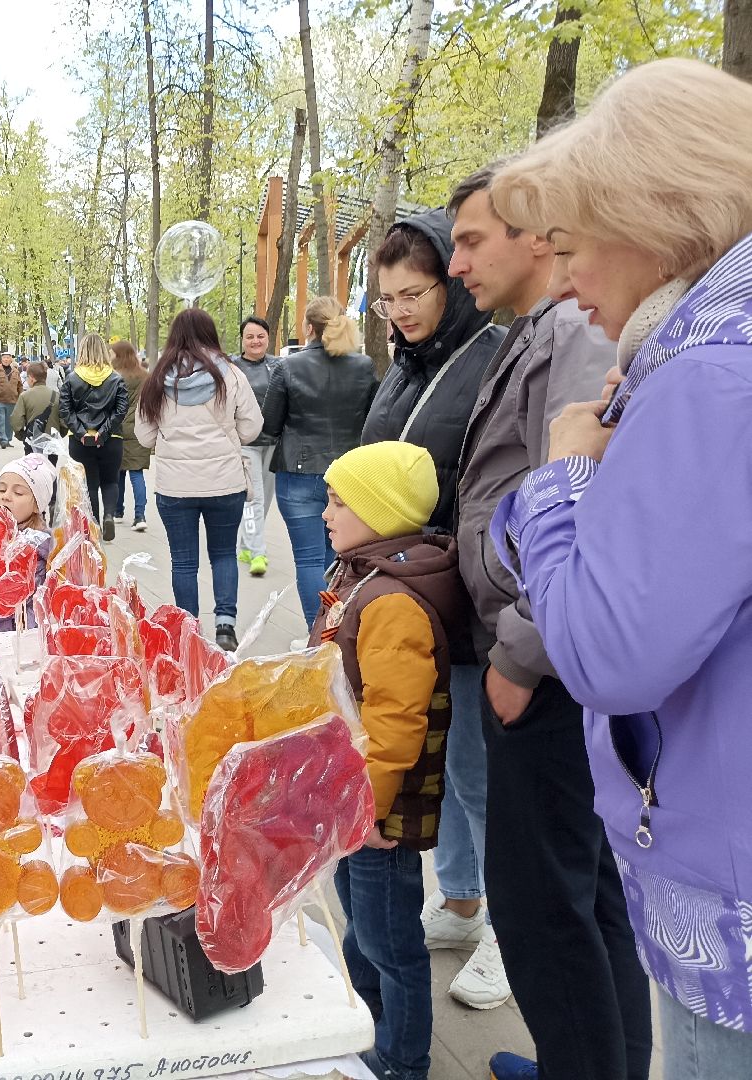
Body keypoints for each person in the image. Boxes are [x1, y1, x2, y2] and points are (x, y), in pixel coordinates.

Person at [489, 58, 752, 1080]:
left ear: (657, 219)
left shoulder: (709, 377)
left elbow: (606, 652)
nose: (562, 283)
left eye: (569, 247)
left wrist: (562, 478)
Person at [444, 165, 652, 1080]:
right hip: (548, 650)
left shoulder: (571, 330)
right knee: (586, 891)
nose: (456, 264)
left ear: (537, 235)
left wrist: (521, 654)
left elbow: (581, 493)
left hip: (546, 658)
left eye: (470, 240)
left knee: (541, 905)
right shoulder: (534, 330)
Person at [363, 208, 510, 1010]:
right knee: (443, 764)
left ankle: (508, 936)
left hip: (468, 596)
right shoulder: (407, 364)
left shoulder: (492, 357)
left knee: (480, 776)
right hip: (411, 595)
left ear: (450, 282)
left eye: (413, 294)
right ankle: (459, 899)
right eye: (387, 299)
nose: (401, 311)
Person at [313, 441, 464, 1080]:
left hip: (381, 812)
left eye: (338, 502)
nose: (325, 513)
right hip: (356, 794)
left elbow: (396, 722)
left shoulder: (391, 603)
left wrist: (364, 810)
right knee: (359, 923)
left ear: (380, 512)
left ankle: (403, 1061)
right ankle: (367, 1025)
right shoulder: (360, 575)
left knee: (390, 942)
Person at [134, 308, 260, 651]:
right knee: (224, 554)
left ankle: (189, 632)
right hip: (226, 483)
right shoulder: (231, 375)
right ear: (210, 333)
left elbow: (144, 436)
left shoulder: (157, 379)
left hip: (175, 487)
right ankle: (225, 625)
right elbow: (252, 427)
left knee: (184, 561)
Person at [262, 299, 377, 626]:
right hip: (348, 473)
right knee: (338, 557)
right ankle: (336, 631)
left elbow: (269, 426)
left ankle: (318, 633)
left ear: (309, 327)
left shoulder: (288, 367)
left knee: (308, 559)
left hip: (298, 473)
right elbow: (374, 419)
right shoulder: (363, 366)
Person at [59, 333, 130, 541]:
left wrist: (81, 432)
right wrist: (104, 431)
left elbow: (65, 410)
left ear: (82, 351)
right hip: (111, 438)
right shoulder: (116, 378)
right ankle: (109, 515)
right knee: (110, 481)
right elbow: (121, 409)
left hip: (80, 441)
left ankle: (95, 525)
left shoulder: (72, 378)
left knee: (88, 484)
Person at [0, 454, 57, 632]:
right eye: (1, 490)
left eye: (18, 493)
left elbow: (31, 601)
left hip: (20, 633)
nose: (6, 497)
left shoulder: (41, 548)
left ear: (37, 505)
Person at [230, 316, 279, 575]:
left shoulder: (279, 365)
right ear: (242, 340)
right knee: (253, 498)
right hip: (245, 443)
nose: (255, 341)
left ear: (268, 338)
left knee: (265, 499)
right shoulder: (232, 367)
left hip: (273, 442)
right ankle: (258, 553)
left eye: (260, 336)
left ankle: (246, 545)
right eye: (249, 336)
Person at [110, 340, 150, 531]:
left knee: (118, 472)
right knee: (137, 472)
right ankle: (140, 515)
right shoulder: (145, 377)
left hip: (118, 429)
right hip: (140, 429)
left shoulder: (115, 377)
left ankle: (118, 511)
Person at [10, 360, 62, 455]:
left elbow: (16, 420)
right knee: (50, 464)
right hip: (52, 442)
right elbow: (63, 420)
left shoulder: (25, 396)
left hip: (32, 441)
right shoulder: (56, 396)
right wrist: (59, 434)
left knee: (33, 464)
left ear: (32, 378)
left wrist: (22, 436)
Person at [0, 352, 20, 447]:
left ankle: (8, 439)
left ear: (11, 359)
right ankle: (3, 439)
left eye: (8, 357)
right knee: (1, 421)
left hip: (12, 400)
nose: (6, 359)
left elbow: (19, 386)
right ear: (1, 359)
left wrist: (20, 397)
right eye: (4, 357)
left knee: (9, 422)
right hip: (0, 399)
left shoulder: (15, 371)